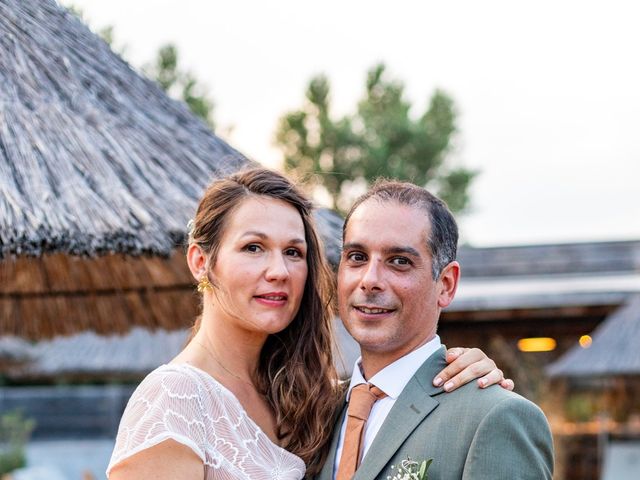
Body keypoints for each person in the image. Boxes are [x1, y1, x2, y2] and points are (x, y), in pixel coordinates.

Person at [107, 168, 513, 480]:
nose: (278, 270)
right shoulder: (173, 399)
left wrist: (464, 369)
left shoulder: (310, 400)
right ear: (201, 261)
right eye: (253, 248)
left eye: (294, 252)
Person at [317, 180, 554, 480]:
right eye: (357, 257)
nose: (369, 280)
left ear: (446, 285)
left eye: (399, 261)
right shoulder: (317, 411)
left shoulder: (494, 418)